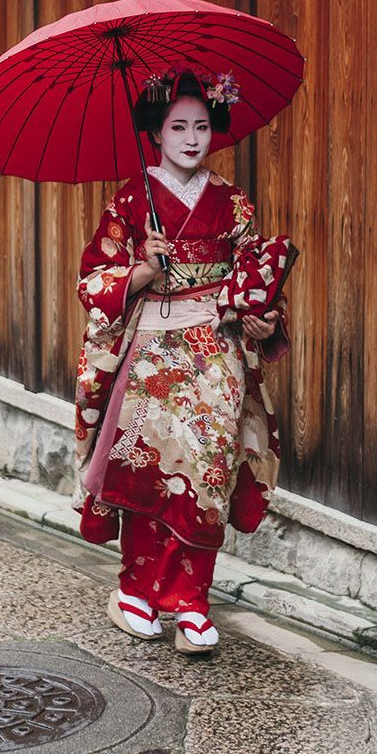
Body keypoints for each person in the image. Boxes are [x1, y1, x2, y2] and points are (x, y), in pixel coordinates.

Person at [73, 70, 289, 655]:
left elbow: (257, 282)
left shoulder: (233, 203)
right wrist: (143, 268)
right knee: (146, 468)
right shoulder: (130, 198)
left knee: (205, 470)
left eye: (200, 125)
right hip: (151, 351)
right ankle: (135, 591)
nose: (191, 138)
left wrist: (263, 316)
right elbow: (93, 279)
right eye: (177, 127)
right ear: (156, 134)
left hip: (215, 349)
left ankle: (192, 600)